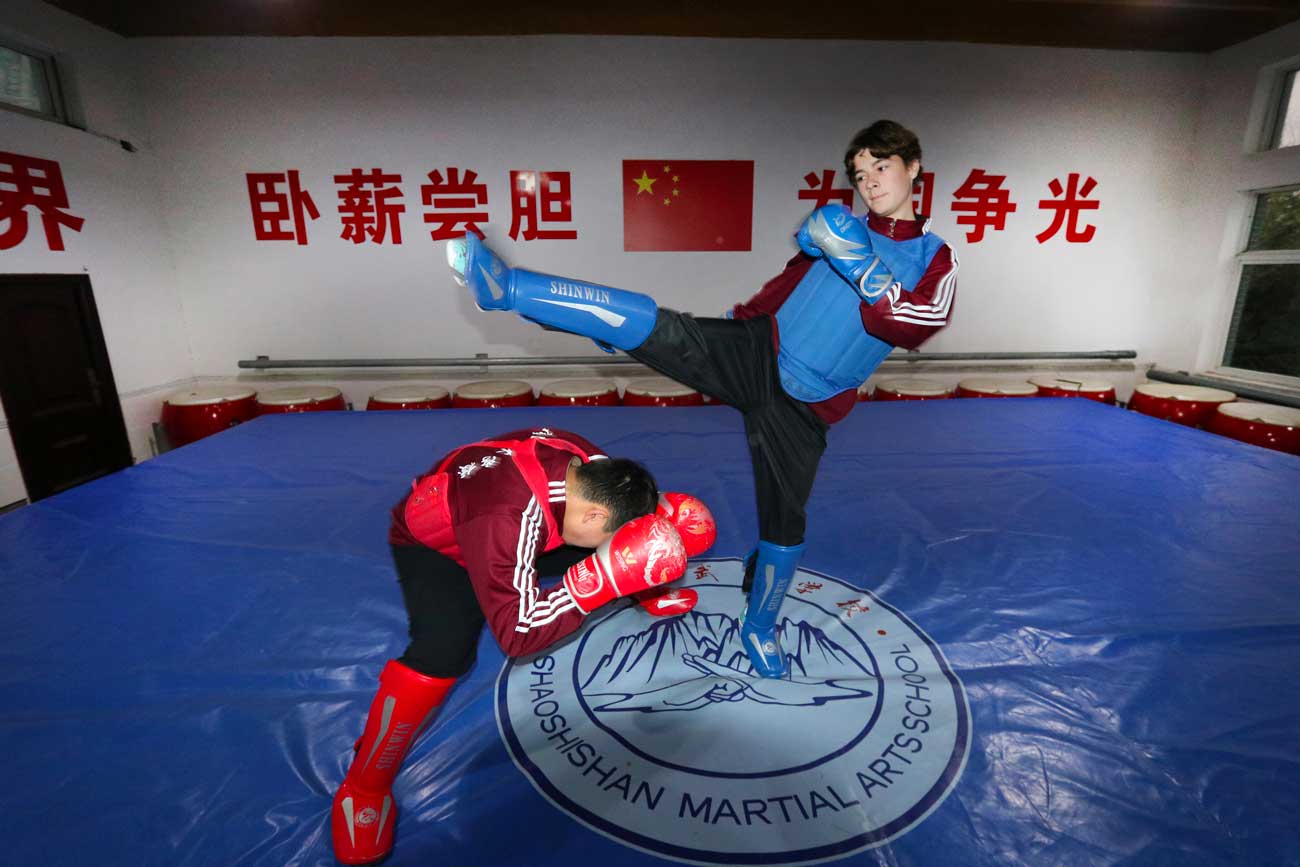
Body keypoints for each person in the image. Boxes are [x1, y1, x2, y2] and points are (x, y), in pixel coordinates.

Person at [446, 120, 957, 681]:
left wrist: (860, 263)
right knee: (663, 327)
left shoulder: (934, 256)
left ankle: (758, 625)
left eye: (882, 167)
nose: (871, 182)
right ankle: (508, 287)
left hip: (808, 404)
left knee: (785, 525)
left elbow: (917, 323)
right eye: (860, 175)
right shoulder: (841, 227)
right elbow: (789, 284)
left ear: (913, 168)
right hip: (759, 351)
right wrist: (742, 316)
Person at [331, 426, 715, 864]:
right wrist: (602, 579)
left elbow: (620, 519)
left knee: (656, 531)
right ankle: (365, 784)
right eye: (608, 534)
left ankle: (640, 585)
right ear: (593, 514)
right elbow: (518, 634)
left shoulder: (591, 467)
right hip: (442, 547)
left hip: (507, 515)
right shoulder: (506, 517)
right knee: (443, 654)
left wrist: (643, 555)